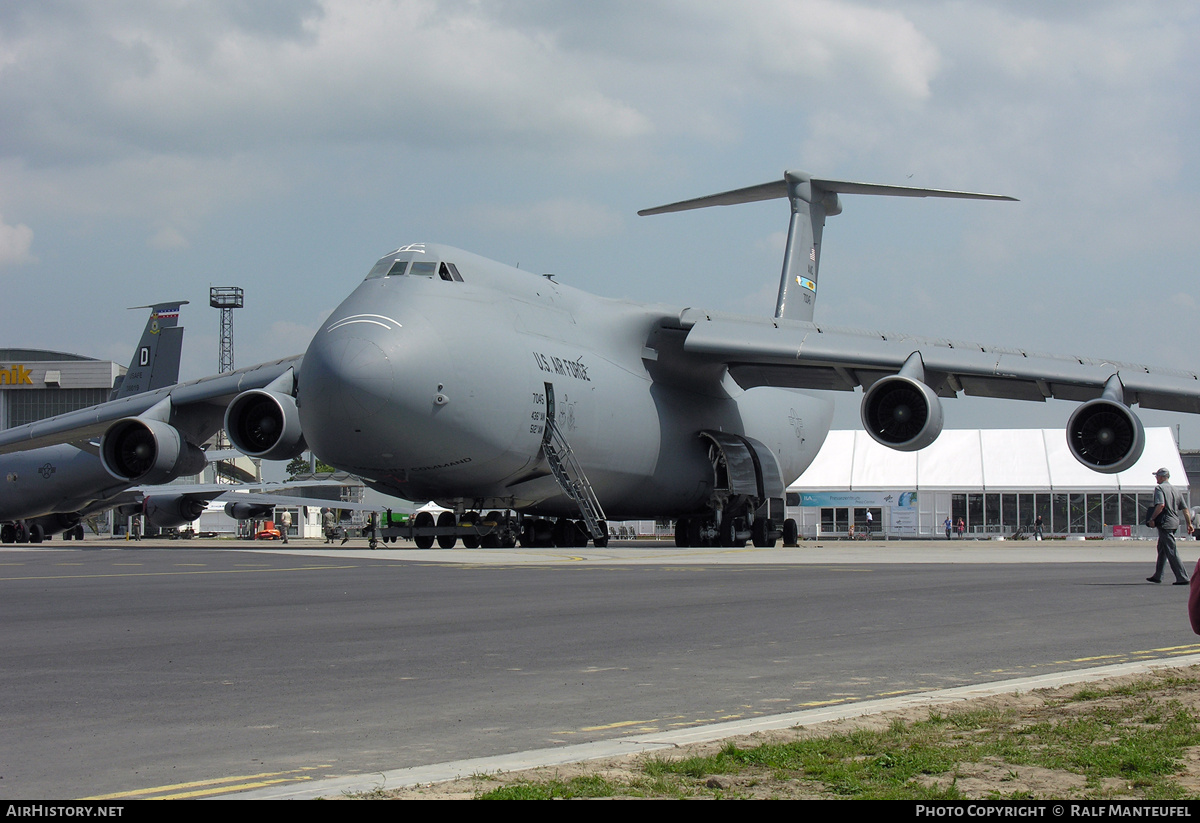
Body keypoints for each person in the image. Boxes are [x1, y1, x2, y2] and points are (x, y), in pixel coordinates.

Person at [1146, 467, 1193, 584]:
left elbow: (1161, 505)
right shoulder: (1176, 490)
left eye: (1157, 476)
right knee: (1162, 548)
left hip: (1165, 523)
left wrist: (1152, 518)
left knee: (1171, 550)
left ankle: (1182, 577)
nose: (1156, 478)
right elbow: (1185, 509)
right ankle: (1158, 575)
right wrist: (1189, 524)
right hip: (1174, 522)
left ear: (1162, 477)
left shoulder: (1159, 488)